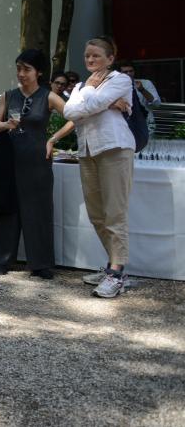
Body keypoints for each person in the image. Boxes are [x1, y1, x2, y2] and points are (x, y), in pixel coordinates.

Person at [52, 38, 135, 298]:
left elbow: (89, 106)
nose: (90, 60)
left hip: (114, 148)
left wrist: (92, 96)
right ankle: (113, 263)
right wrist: (97, 99)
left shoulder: (121, 80)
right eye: (87, 56)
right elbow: (69, 113)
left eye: (96, 56)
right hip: (87, 150)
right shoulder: (81, 84)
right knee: (97, 214)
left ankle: (117, 272)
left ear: (110, 59)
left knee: (115, 212)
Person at [0, 48, 66, 278]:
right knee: (6, 207)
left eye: (26, 69)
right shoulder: (8, 95)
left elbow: (75, 117)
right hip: (9, 159)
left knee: (38, 209)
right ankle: (2, 259)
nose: (21, 74)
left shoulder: (48, 96)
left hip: (37, 160)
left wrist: (53, 138)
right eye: (19, 69)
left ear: (38, 72)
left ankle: (40, 263)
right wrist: (6, 125)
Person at [117, 60, 161, 130]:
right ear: (120, 74)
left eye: (131, 71)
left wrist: (142, 90)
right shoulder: (115, 87)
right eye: (125, 72)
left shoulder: (146, 83)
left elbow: (156, 104)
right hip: (123, 125)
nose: (129, 73)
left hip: (145, 124)